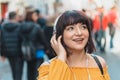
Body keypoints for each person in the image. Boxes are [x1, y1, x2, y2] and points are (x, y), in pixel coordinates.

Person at [37, 10, 110, 80]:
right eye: (71, 28)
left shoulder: (99, 63)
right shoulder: (47, 67)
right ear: (58, 35)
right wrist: (61, 56)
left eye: (83, 27)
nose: (79, 33)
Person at [1, 11, 24, 80]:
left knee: (13, 70)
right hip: (19, 52)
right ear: (15, 17)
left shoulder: (3, 27)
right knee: (19, 72)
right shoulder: (20, 26)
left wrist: (2, 54)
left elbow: (2, 41)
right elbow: (22, 40)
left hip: (9, 52)